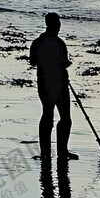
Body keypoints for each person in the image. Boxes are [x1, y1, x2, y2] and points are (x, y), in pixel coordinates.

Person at [29, 13, 77, 161]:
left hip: (44, 83)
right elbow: (64, 63)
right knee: (65, 118)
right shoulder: (59, 43)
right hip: (59, 83)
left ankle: (46, 152)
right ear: (55, 25)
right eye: (58, 23)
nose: (59, 26)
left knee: (47, 115)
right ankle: (62, 151)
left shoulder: (38, 42)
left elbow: (33, 61)